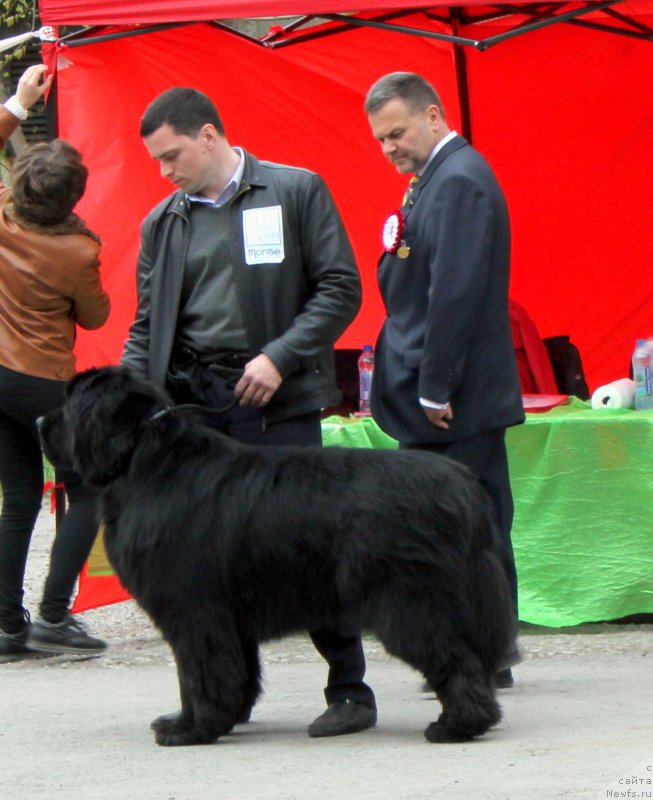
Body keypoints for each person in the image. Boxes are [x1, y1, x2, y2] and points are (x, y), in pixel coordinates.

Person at [121, 87, 377, 737]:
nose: (164, 171)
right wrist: (128, 403)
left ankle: (350, 690)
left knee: (310, 546)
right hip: (195, 408)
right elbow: (147, 324)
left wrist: (280, 357)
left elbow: (340, 287)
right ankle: (217, 700)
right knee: (200, 567)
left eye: (171, 154)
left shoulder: (294, 191)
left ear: (209, 135)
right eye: (155, 161)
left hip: (277, 398)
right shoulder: (163, 221)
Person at [364, 72, 524, 687]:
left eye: (397, 132)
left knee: (472, 526)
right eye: (380, 139)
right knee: (463, 524)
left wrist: (435, 387)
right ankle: (484, 650)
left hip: (456, 400)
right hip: (450, 394)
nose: (389, 147)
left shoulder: (458, 180)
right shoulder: (435, 179)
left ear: (434, 116)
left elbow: (453, 294)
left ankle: (488, 653)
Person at [0, 65, 111, 663]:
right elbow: (95, 317)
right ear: (72, 198)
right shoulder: (77, 250)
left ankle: (5, 626)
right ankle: (52, 614)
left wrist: (18, 103)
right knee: (87, 488)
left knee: (17, 499)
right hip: (41, 381)